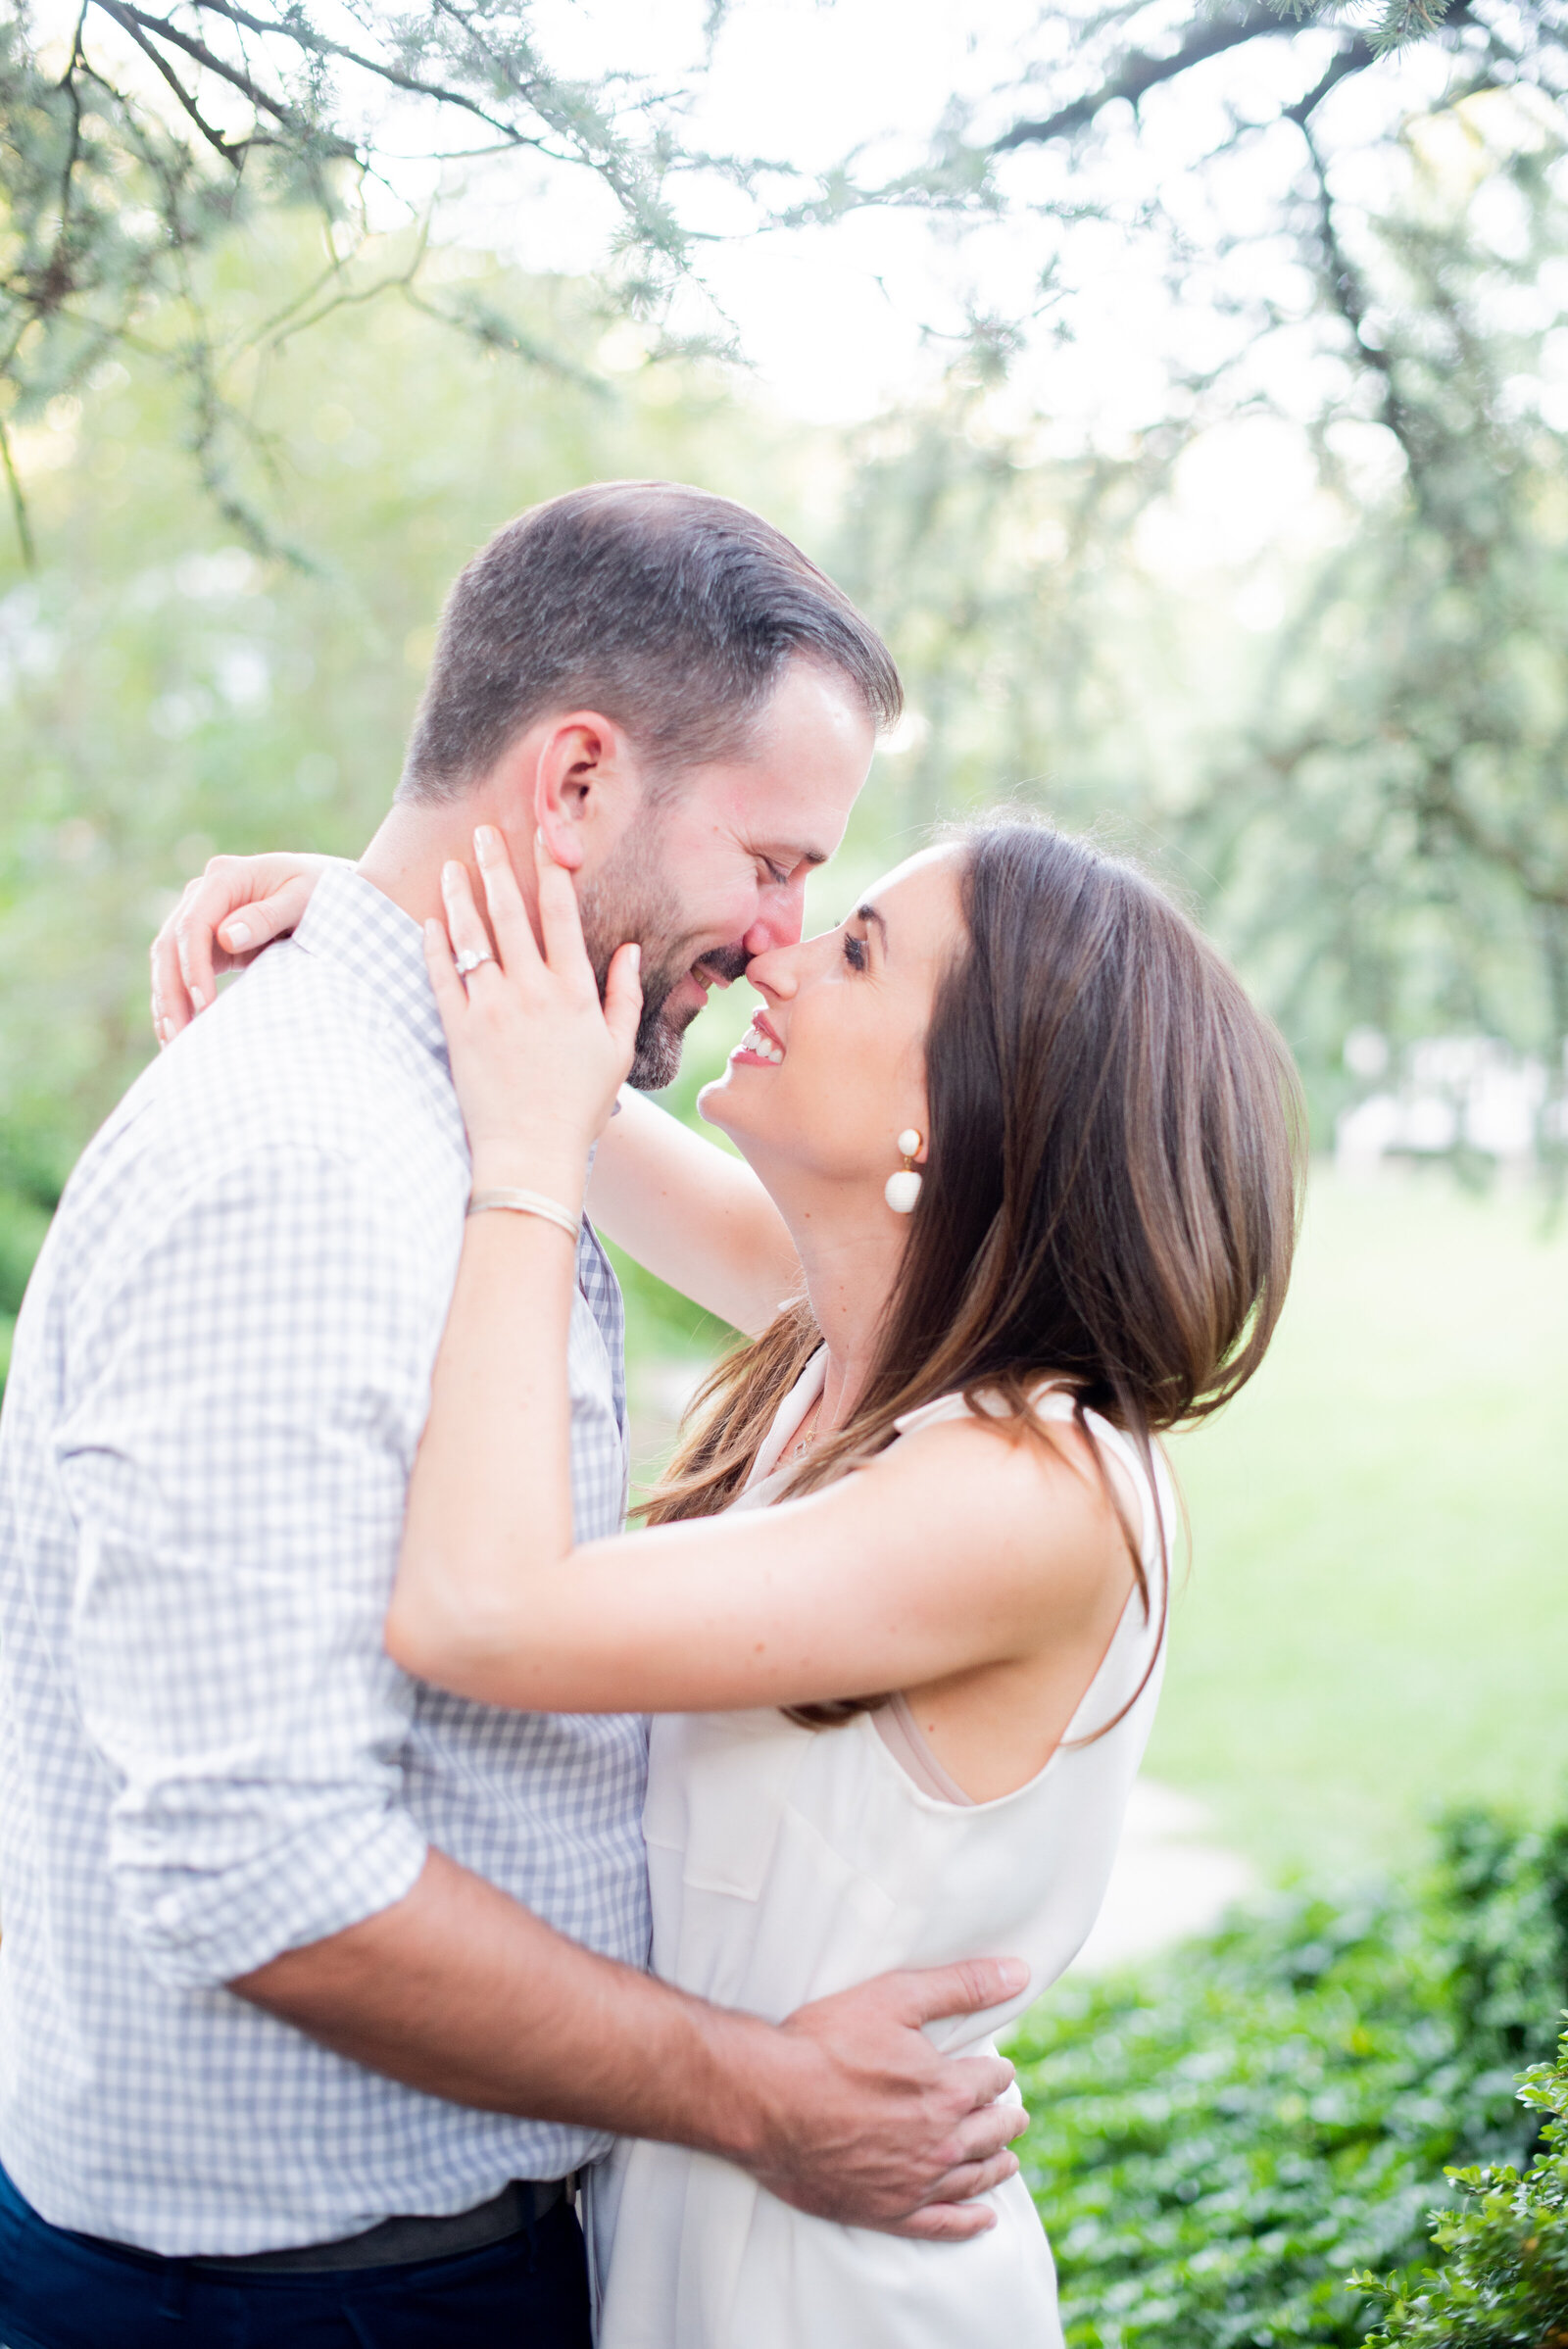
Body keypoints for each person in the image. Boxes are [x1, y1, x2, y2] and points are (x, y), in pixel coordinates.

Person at [0, 484, 1029, 2349]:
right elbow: (264, 1866)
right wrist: (760, 2093)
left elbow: (864, 1280)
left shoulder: (476, 1097)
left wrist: (380, 919)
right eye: (781, 862)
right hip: (300, 2305)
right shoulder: (310, 1164)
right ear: (571, 784)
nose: (786, 938)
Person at [168, 807, 1303, 2345]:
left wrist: (519, 1174)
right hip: (701, 2218)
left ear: (960, 1108)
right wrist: (375, 910)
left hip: (829, 2285)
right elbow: (552, 1066)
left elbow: (481, 1610)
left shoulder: (1037, 1491)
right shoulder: (863, 1352)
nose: (782, 944)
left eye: (857, 949)